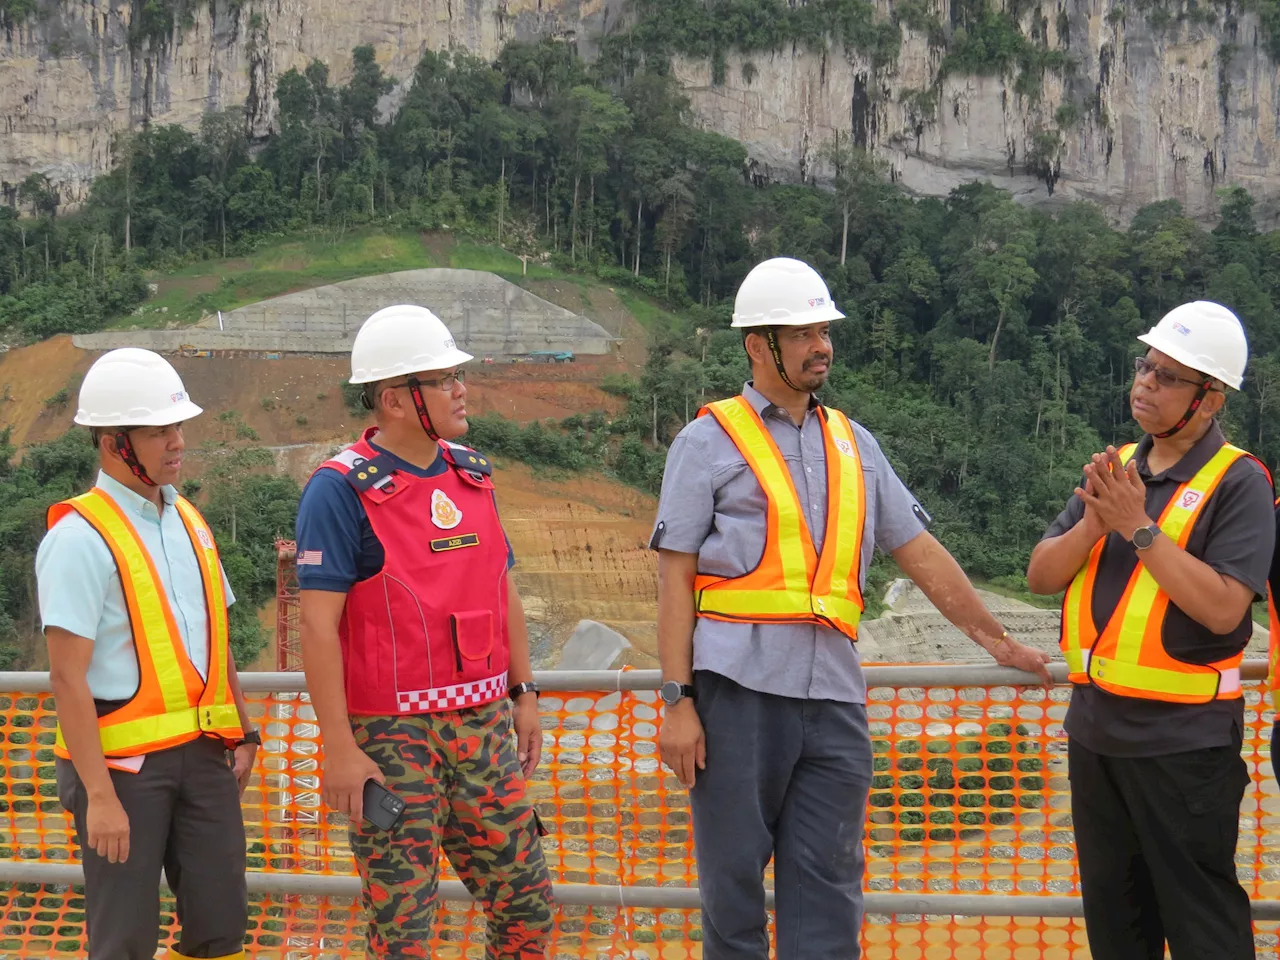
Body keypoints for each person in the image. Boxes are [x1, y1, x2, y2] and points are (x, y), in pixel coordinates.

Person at [651, 257, 1053, 960]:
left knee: (831, 888)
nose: (821, 346)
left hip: (834, 697)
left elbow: (919, 551)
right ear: (758, 345)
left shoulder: (855, 444)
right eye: (802, 333)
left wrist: (1000, 643)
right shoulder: (706, 442)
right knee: (733, 891)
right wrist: (677, 700)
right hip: (736, 693)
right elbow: (674, 575)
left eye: (824, 330)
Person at [295, 304, 553, 959]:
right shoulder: (340, 489)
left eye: (456, 376)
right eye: (442, 380)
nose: (461, 389)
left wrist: (523, 694)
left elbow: (501, 588)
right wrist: (341, 748)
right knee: (404, 931)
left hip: (484, 724)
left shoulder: (473, 474)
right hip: (391, 738)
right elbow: (318, 628)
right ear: (395, 400)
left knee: (528, 907)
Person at [1026, 301, 1274, 960]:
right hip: (1096, 737)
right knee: (1118, 929)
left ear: (1210, 398)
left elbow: (1225, 611)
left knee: (1203, 928)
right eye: (1146, 367)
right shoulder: (1114, 471)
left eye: (1167, 377)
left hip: (1184, 747)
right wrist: (1095, 520)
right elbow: (1042, 576)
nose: (1145, 384)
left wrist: (1140, 528)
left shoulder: (1239, 483)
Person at [37, 347, 259, 960]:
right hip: (120, 770)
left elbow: (217, 640)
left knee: (221, 927)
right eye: (160, 430)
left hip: (203, 756)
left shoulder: (190, 521)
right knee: (125, 937)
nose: (177, 441)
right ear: (114, 442)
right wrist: (99, 798)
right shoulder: (78, 538)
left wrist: (244, 731)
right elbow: (66, 677)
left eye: (178, 426)